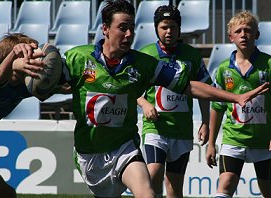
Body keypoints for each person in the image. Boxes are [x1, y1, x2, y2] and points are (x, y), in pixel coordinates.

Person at [61, 1, 268, 197]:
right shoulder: (81, 58)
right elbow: (47, 86)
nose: (129, 34)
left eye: (132, 27)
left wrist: (232, 99)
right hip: (112, 144)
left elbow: (192, 87)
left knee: (157, 190)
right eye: (122, 27)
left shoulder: (153, 62)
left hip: (143, 141)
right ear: (105, 28)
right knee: (146, 180)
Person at [136, 5, 211, 198]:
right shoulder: (145, 54)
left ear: (179, 29)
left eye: (173, 27)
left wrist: (205, 122)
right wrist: (144, 103)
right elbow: (130, 89)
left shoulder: (192, 55)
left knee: (174, 187)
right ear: (156, 29)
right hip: (156, 129)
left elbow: (204, 91)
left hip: (182, 130)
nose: (169, 31)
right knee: (152, 175)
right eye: (164, 27)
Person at [205, 11, 271, 198]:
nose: (243, 34)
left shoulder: (268, 64)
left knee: (268, 190)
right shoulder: (223, 69)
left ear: (256, 35)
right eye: (239, 31)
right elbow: (217, 108)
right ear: (230, 37)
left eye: (248, 30)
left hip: (264, 143)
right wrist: (211, 144)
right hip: (233, 140)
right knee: (225, 184)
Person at [0, 33, 45, 197]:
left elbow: (63, 87)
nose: (33, 60)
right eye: (29, 55)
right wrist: (13, 56)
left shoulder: (23, 85)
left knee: (5, 195)